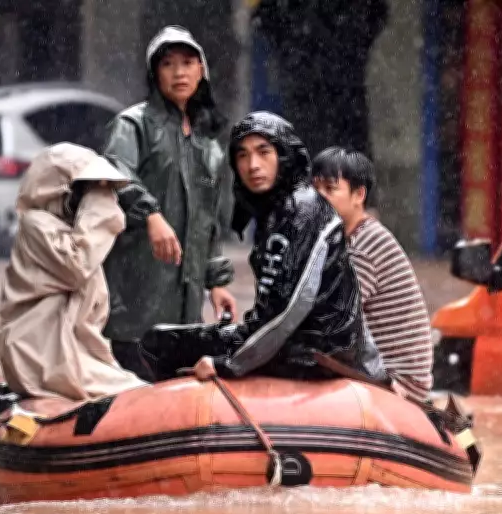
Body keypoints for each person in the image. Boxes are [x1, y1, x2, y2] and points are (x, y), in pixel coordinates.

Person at [138, 111, 389, 385]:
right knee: (161, 341)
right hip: (295, 343)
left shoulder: (305, 209)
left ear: (284, 156)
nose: (252, 165)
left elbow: (289, 309)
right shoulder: (275, 211)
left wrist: (227, 363)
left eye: (263, 152)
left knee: (167, 348)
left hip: (320, 354)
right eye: (242, 155)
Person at [101, 25, 236, 380]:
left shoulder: (208, 144)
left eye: (188, 63)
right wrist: (151, 215)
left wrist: (216, 282)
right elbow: (115, 172)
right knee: (136, 392)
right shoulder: (132, 125)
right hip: (136, 295)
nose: (179, 73)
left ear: (201, 70)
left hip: (186, 309)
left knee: (180, 392)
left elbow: (207, 223)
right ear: (154, 73)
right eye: (168, 64)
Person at [0, 142, 148, 401]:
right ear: (60, 189)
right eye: (87, 188)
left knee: (142, 392)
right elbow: (77, 266)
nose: (95, 196)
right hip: (42, 354)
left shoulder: (70, 230)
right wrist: (100, 208)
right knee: (139, 397)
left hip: (70, 352)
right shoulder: (37, 225)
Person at [312, 146, 433, 401]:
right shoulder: (346, 238)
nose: (319, 198)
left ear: (359, 195)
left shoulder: (362, 247)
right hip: (382, 371)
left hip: (398, 382)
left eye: (330, 189)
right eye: (316, 189)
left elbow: (333, 320)